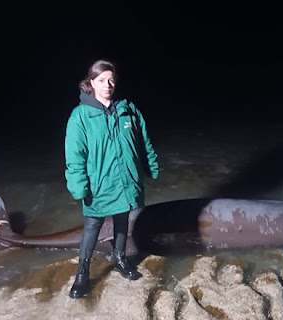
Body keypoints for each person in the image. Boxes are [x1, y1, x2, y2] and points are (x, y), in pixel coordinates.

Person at [64, 59, 160, 299]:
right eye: (101, 80)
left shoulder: (128, 110)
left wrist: (151, 167)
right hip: (99, 184)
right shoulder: (80, 116)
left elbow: (144, 142)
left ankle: (120, 258)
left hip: (127, 180)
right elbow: (75, 155)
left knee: (122, 220)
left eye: (111, 80)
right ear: (91, 83)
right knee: (92, 226)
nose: (107, 84)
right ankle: (82, 274)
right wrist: (79, 186)